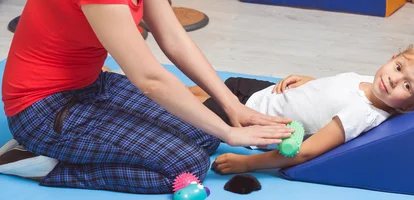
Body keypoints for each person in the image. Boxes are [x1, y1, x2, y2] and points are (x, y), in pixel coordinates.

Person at [0, 0, 294, 194]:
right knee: (186, 165)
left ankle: (69, 150)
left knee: (205, 135)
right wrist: (231, 133)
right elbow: (149, 79)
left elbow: (174, 40)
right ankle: (43, 163)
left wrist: (232, 107)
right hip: (43, 110)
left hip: (92, 85)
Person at [194, 44, 414, 174]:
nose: (394, 79)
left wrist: (246, 164)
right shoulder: (375, 83)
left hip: (254, 116)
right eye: (398, 68)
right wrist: (310, 82)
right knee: (202, 89)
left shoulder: (363, 114)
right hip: (270, 93)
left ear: (410, 104)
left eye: (407, 86)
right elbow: (337, 90)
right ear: (392, 58)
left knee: (191, 108)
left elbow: (307, 152)